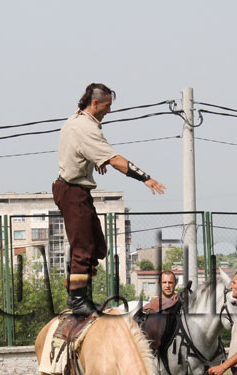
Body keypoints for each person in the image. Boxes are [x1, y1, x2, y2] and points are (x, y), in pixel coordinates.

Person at [53, 83, 166, 317]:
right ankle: (77, 300)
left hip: (75, 189)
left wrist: (95, 160)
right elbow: (115, 160)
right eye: (107, 106)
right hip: (72, 192)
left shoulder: (77, 119)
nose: (109, 111)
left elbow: (82, 150)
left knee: (97, 247)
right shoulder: (85, 127)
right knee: (83, 248)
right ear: (95, 103)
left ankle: (79, 293)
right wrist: (145, 178)